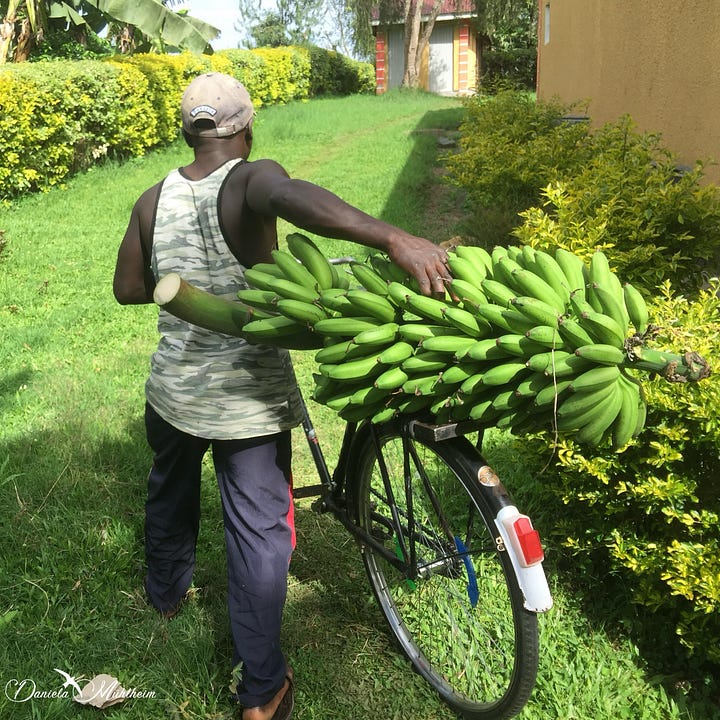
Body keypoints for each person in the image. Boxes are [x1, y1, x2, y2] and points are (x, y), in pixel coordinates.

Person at [113, 71, 452, 720]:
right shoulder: (250, 177)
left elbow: (129, 286)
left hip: (172, 393)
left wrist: (180, 280)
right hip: (247, 403)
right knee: (259, 535)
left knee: (169, 489)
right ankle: (263, 691)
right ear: (245, 127)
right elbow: (292, 195)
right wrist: (392, 237)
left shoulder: (151, 200)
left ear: (188, 131)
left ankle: (166, 593)